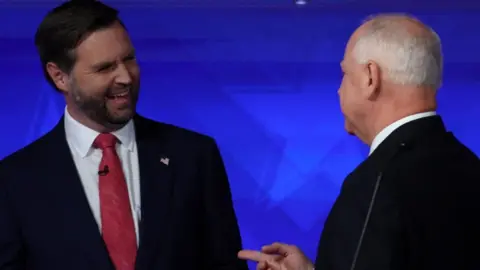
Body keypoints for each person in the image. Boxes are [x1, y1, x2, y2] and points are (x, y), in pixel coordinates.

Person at [0, 1, 248, 270]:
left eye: (129, 59)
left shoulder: (194, 155)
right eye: (105, 68)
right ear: (60, 77)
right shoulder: (14, 181)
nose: (125, 78)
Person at [238, 14, 480, 270]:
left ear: (370, 77)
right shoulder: (469, 166)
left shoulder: (375, 184)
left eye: (344, 73)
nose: (339, 90)